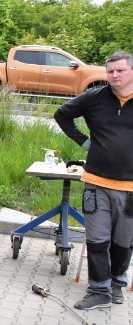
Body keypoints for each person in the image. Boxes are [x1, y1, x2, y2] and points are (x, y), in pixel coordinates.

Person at [54, 51, 133, 310]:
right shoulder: (94, 97)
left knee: (123, 243)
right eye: (110, 71)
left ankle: (116, 285)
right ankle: (98, 290)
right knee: (97, 241)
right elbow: (62, 114)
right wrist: (85, 142)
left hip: (130, 190)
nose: (114, 75)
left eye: (120, 70)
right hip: (96, 183)